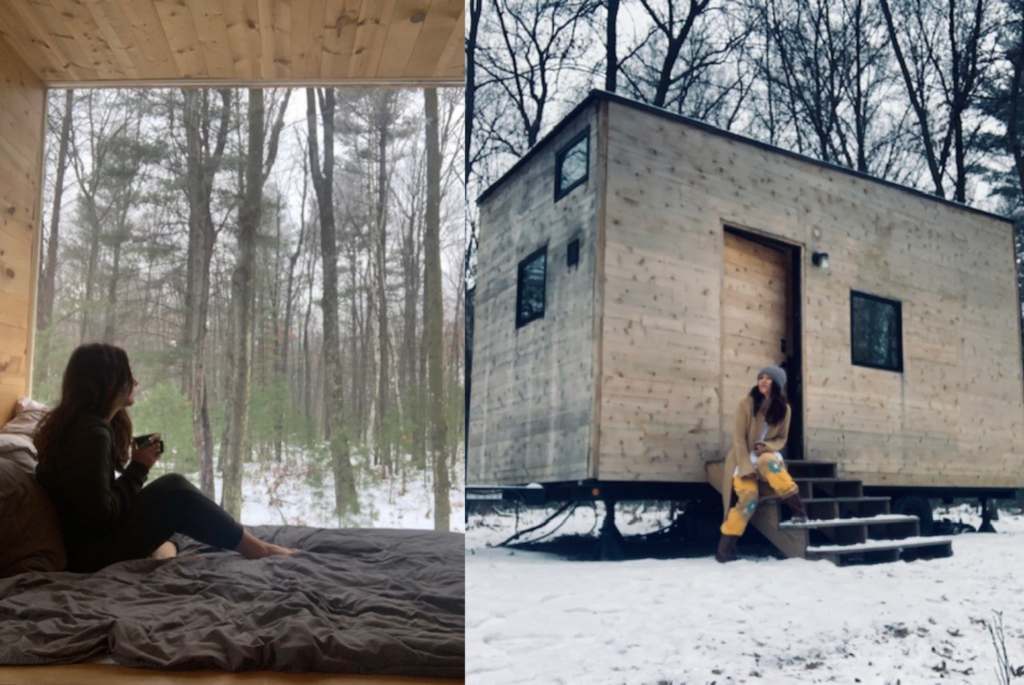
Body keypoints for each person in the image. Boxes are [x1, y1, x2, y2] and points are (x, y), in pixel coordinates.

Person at [34, 343, 296, 573]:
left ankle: (162, 561)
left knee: (175, 525)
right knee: (174, 490)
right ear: (108, 380)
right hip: (89, 558)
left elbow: (95, 502)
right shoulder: (91, 434)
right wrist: (139, 468)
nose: (135, 382)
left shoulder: (81, 427)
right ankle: (259, 549)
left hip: (86, 547)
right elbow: (100, 518)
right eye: (128, 375)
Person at [716, 364, 807, 563]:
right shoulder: (746, 403)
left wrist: (767, 446)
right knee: (749, 497)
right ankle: (725, 549)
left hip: (765, 455)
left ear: (777, 384)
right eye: (761, 377)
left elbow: (782, 439)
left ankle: (798, 510)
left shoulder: (785, 409)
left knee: (769, 462)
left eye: (768, 378)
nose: (763, 381)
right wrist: (746, 466)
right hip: (743, 458)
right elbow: (738, 439)